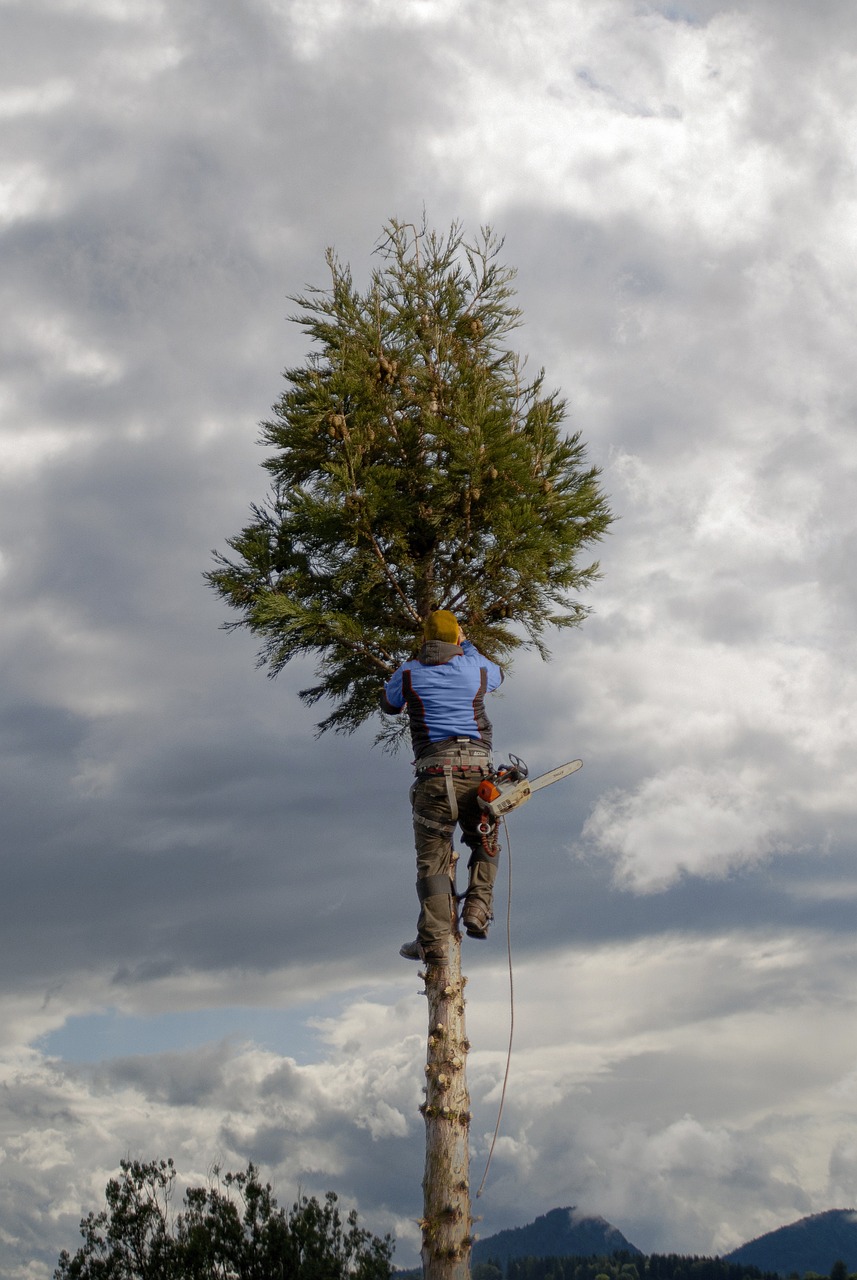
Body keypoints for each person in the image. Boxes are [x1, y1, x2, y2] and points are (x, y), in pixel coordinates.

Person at [381, 609, 504, 964]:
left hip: (434, 776)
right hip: (478, 773)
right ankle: (478, 909)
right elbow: (498, 675)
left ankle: (433, 943)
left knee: (432, 862)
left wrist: (413, 663)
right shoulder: (475, 667)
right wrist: (467, 644)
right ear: (457, 638)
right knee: (485, 838)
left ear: (423, 640)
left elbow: (390, 706)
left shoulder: (408, 673)